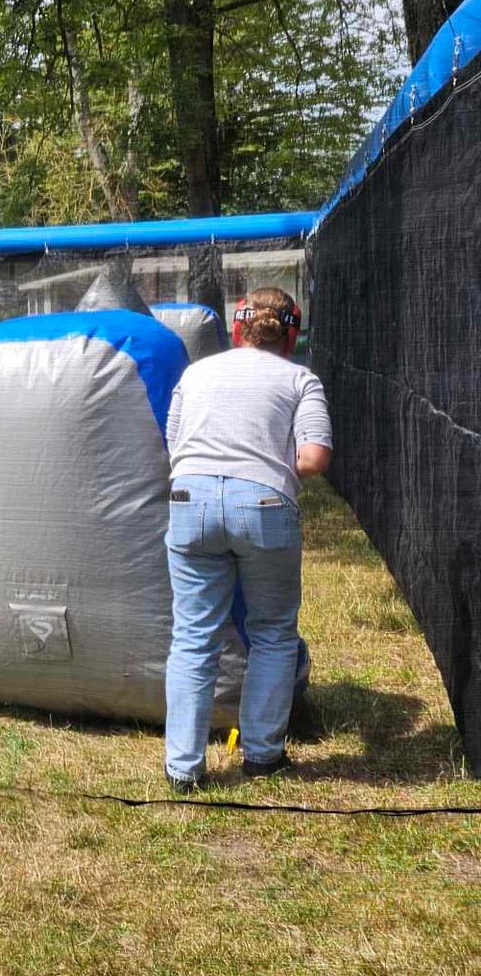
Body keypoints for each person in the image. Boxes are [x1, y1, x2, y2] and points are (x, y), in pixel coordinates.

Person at [162, 287, 331, 790]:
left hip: (189, 499)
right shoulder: (301, 379)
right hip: (264, 506)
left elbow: (173, 443)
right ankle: (262, 755)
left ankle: (183, 769)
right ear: (291, 334)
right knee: (273, 632)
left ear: (239, 327)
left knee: (193, 637)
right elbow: (313, 458)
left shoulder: (196, 373)